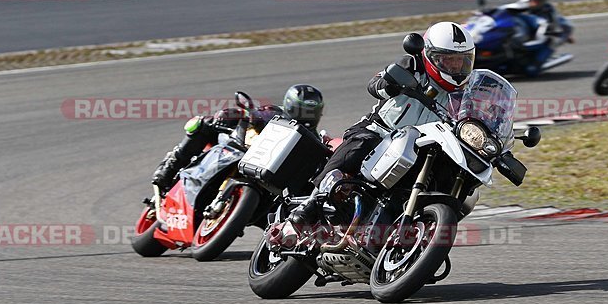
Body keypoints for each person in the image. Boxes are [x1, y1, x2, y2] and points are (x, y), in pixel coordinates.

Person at [280, 22, 476, 236]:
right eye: (448, 60)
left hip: (418, 149)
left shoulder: (466, 94)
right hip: (381, 131)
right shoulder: (411, 66)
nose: (456, 67)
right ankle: (309, 206)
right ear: (431, 56)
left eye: (461, 60)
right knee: (359, 147)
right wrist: (389, 85)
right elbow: (375, 83)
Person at [151, 84, 325, 193]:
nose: (306, 116)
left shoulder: (313, 140)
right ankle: (170, 167)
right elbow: (251, 113)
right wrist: (229, 114)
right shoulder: (274, 112)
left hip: (268, 175)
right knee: (201, 124)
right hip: (242, 146)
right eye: (302, 110)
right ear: (289, 105)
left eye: (311, 111)